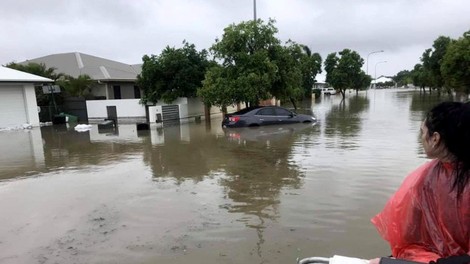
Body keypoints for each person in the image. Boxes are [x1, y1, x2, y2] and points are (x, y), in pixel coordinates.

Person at [370, 101, 470, 264]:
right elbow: (410, 235)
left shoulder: (426, 177)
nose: (421, 138)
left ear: (435, 138)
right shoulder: (427, 177)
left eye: (422, 133)